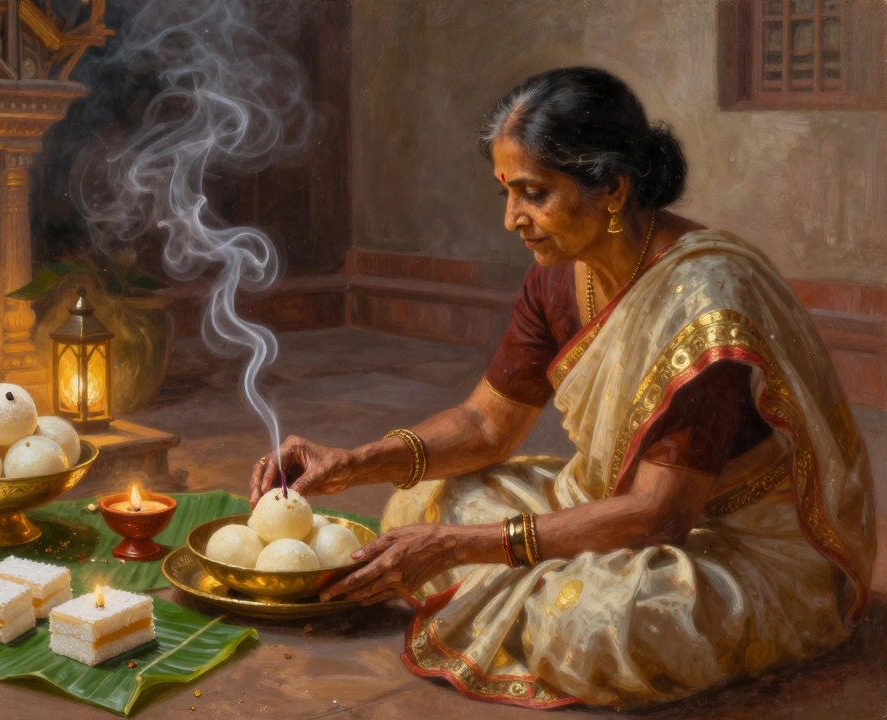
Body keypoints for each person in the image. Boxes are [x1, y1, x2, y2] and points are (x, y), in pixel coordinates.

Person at [248, 67, 875, 708]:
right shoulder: (556, 278)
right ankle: (534, 575)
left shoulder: (702, 306)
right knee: (422, 501)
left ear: (611, 188)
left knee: (590, 628)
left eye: (534, 193)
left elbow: (661, 515)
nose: (512, 219)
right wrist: (353, 464)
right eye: (506, 194)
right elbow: (487, 426)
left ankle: (546, 593)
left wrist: (464, 547)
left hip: (730, 544)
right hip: (608, 503)